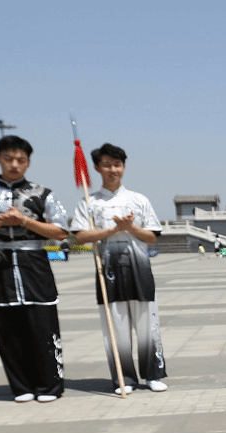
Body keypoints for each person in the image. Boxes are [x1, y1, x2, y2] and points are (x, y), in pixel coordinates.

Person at [0, 135, 70, 404]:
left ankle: (49, 386)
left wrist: (23, 220)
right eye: (8, 158)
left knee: (43, 327)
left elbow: (60, 231)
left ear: (28, 163)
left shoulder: (43, 194)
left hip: (34, 264)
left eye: (20, 160)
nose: (14, 164)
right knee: (6, 329)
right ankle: (21, 386)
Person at [71, 143, 168, 394]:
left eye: (117, 164)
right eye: (107, 164)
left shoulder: (139, 199)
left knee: (147, 324)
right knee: (116, 326)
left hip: (140, 268)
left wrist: (130, 228)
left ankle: (153, 375)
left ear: (124, 167)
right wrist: (113, 230)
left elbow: (152, 236)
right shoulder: (88, 202)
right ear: (97, 167)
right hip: (108, 271)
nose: (113, 169)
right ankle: (124, 378)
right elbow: (80, 237)